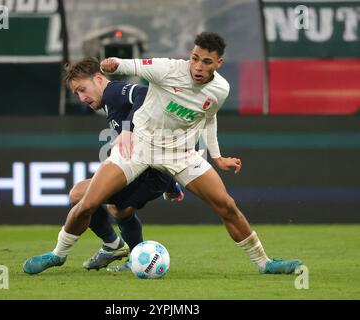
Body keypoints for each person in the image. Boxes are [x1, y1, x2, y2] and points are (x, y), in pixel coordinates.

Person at [24, 32, 301, 276]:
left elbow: (209, 118)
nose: (198, 66)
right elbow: (129, 66)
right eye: (195, 58)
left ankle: (265, 263)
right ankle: (58, 255)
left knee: (226, 205)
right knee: (87, 202)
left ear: (218, 64)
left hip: (180, 152)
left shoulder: (221, 89)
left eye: (206, 61)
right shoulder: (167, 69)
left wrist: (217, 158)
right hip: (140, 146)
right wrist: (113, 64)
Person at [23, 58, 183, 274]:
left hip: (151, 174)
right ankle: (121, 251)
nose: (81, 98)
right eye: (76, 93)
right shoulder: (109, 102)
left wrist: (127, 128)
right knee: (117, 209)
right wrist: (172, 185)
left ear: (98, 79)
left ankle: (68, 253)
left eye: (82, 89)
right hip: (152, 170)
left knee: (80, 194)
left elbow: (144, 94)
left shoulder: (113, 91)